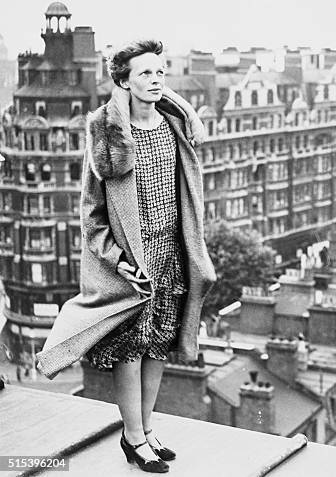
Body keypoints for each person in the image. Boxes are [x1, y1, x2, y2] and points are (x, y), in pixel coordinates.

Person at [36, 39, 216, 474]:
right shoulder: (107, 134)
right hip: (131, 264)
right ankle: (133, 438)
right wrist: (118, 261)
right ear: (123, 81)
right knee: (130, 351)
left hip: (171, 255)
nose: (155, 81)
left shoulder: (176, 126)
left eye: (160, 73)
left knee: (158, 347)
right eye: (145, 74)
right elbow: (91, 214)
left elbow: (187, 189)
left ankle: (147, 429)